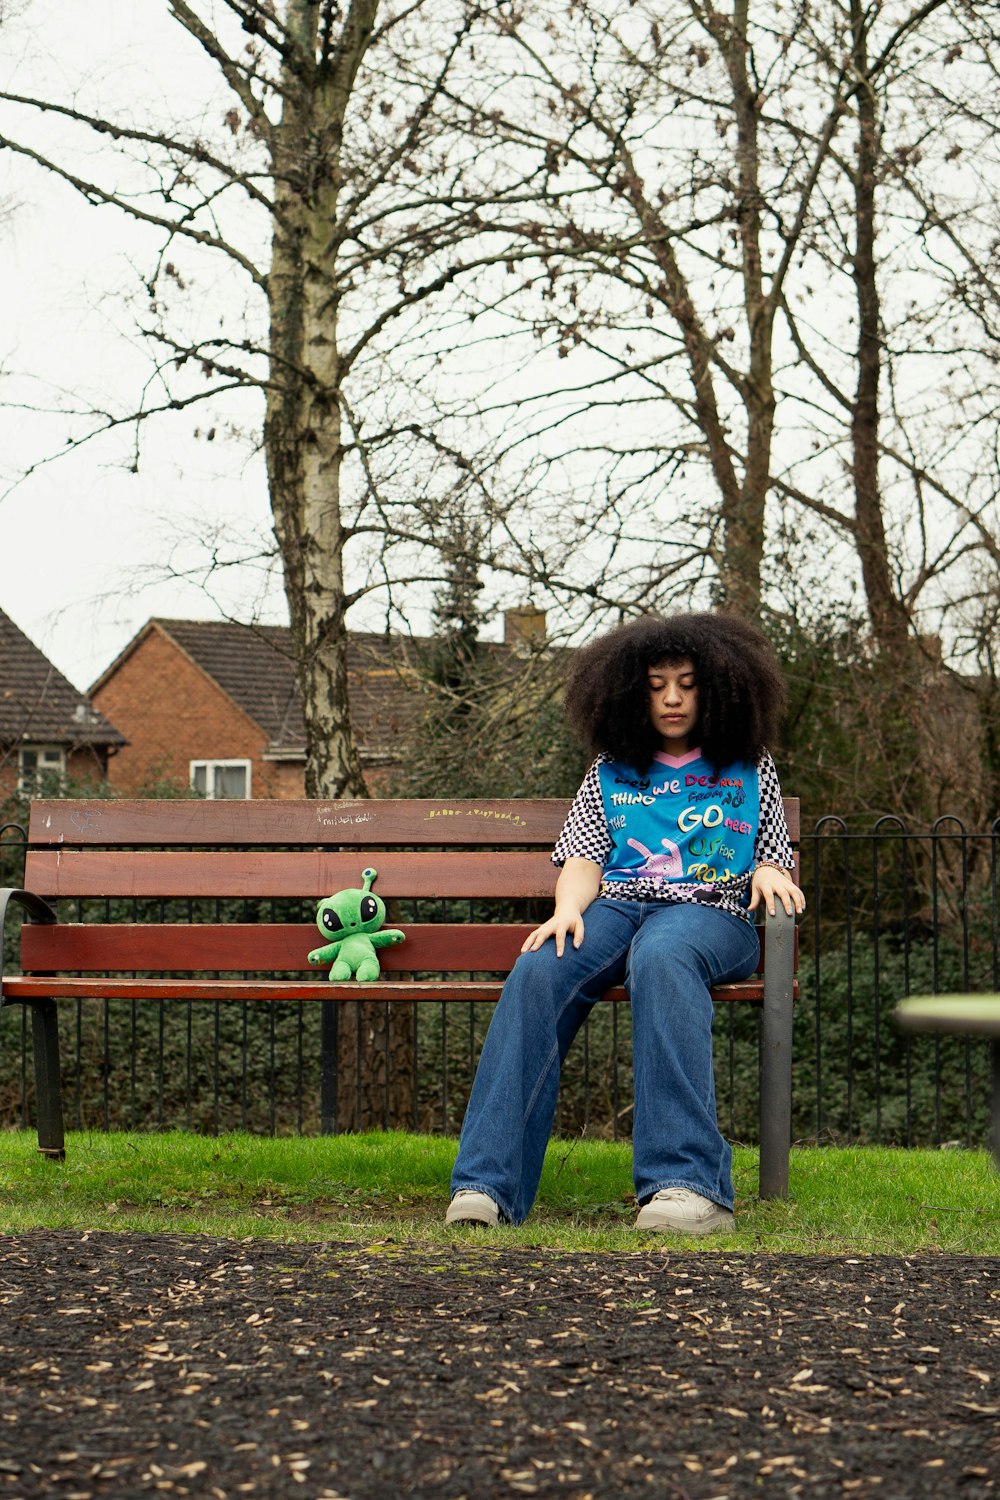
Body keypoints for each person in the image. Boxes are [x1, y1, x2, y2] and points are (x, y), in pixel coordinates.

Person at [446, 611, 805, 1235]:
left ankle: (688, 1186)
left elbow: (767, 850)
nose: (671, 697)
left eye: (688, 683)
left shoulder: (749, 767)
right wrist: (565, 911)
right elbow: (584, 861)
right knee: (539, 969)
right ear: (628, 692)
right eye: (656, 683)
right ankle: (486, 1185)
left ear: (718, 688)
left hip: (710, 914)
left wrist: (772, 868)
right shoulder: (610, 770)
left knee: (661, 956)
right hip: (616, 906)